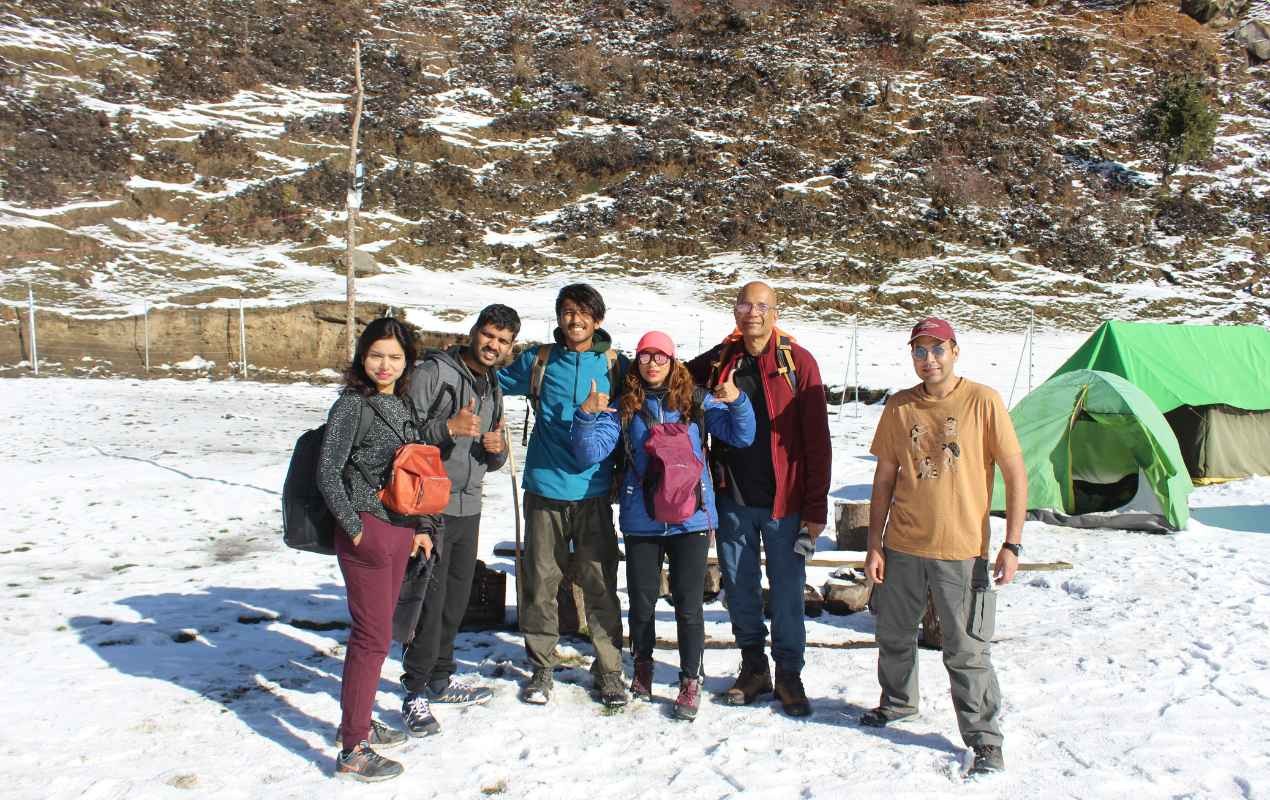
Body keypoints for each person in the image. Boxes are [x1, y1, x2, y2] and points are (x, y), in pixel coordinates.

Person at [861, 317, 1027, 776]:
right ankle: (897, 704)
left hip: (962, 549)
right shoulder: (899, 407)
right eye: (919, 351)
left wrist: (1012, 544)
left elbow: (1015, 473)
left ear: (955, 351)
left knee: (966, 649)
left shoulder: (983, 401)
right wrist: (874, 544)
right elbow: (883, 481)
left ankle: (985, 740)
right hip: (903, 545)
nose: (928, 360)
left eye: (937, 350)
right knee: (894, 635)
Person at [570, 331, 755, 720]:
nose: (652, 363)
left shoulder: (697, 401)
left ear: (673, 361)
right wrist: (587, 415)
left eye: (660, 357)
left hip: (691, 519)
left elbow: (743, 434)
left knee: (689, 604)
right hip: (643, 520)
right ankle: (643, 664)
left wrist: (737, 401)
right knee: (641, 601)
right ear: (636, 361)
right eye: (645, 356)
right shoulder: (624, 406)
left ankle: (690, 679)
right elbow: (590, 452)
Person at [686, 281, 831, 717]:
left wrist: (816, 508)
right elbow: (671, 376)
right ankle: (753, 667)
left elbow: (818, 440)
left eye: (762, 306)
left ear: (775, 312)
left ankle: (789, 673)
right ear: (735, 310)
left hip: (784, 501)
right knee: (740, 587)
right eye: (746, 304)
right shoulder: (719, 360)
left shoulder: (797, 362)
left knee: (787, 591)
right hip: (733, 496)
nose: (753, 312)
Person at [497, 283, 630, 707]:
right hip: (544, 487)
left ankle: (609, 669)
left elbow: (663, 382)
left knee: (600, 583)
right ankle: (542, 665)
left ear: (598, 319)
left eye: (583, 313)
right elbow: (484, 374)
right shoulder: (539, 361)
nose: (575, 320)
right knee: (540, 582)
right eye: (567, 311)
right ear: (558, 317)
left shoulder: (615, 366)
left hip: (593, 492)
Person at [317, 317, 434, 783]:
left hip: (398, 529)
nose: (384, 365)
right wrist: (355, 528)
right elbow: (328, 472)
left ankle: (359, 722)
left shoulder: (401, 405)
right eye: (376, 355)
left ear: (407, 363)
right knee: (369, 637)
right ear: (362, 357)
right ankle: (352, 749)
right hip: (367, 531)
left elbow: (412, 472)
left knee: (380, 633)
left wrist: (418, 527)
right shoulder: (351, 406)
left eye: (394, 357)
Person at [398, 304, 519, 735]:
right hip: (431, 505)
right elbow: (404, 434)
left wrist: (496, 449)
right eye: (489, 335)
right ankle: (413, 690)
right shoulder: (435, 373)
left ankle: (440, 678)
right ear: (473, 332)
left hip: (470, 506)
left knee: (456, 600)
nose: (493, 345)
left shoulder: (493, 383)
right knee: (428, 603)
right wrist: (447, 428)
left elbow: (495, 455)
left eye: (503, 341)